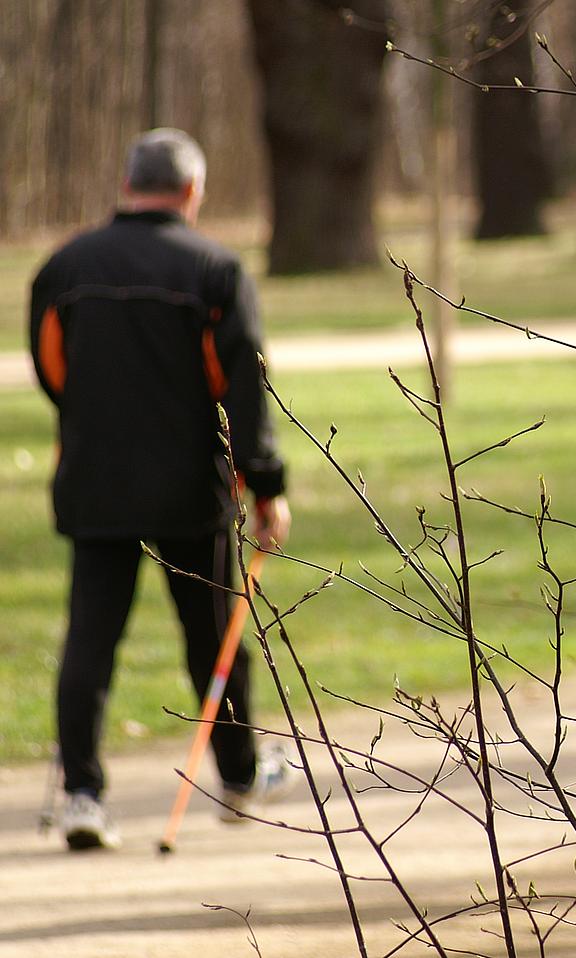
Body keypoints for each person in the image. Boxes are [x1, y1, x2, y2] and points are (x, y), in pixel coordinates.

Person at [28, 128, 294, 851]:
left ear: (127, 183)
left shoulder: (63, 267)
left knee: (91, 637)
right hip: (190, 486)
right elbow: (246, 388)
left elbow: (53, 369)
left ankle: (83, 793)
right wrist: (266, 485)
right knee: (212, 635)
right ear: (192, 191)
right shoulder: (215, 269)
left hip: (95, 479)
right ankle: (237, 777)